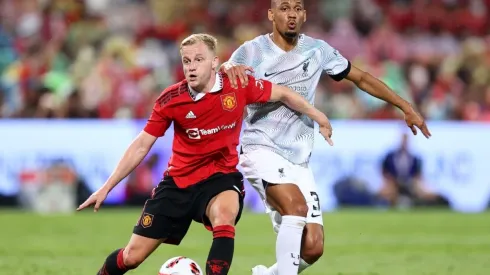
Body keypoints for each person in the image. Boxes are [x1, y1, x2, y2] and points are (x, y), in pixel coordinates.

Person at [76, 33, 334, 275]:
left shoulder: (238, 87)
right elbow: (142, 144)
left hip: (221, 179)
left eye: (198, 60)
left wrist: (319, 116)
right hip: (178, 183)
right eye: (186, 61)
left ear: (215, 63)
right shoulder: (170, 100)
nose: (191, 66)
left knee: (225, 217)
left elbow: (283, 93)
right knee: (131, 257)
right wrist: (107, 187)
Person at [221, 1, 432, 274]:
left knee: (313, 247)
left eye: (297, 8)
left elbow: (362, 78)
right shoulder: (251, 51)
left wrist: (405, 106)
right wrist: (226, 67)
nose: (292, 14)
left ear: (305, 14)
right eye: (284, 8)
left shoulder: (317, 50)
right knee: (295, 208)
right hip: (261, 149)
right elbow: (223, 75)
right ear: (271, 14)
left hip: (298, 159)